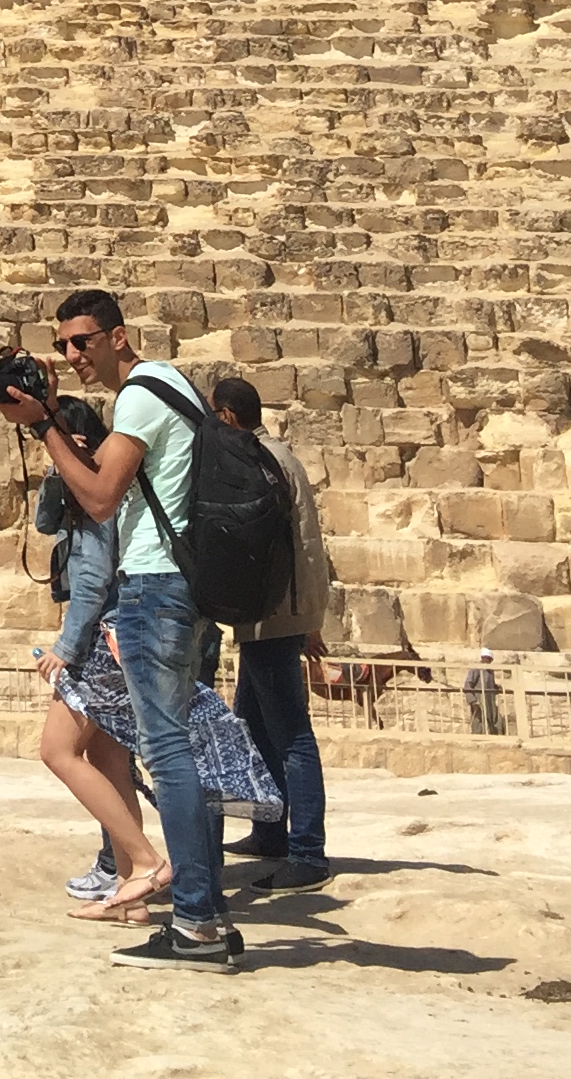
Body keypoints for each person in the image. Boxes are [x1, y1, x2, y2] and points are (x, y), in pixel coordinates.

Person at [0, 289, 242, 969]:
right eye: (64, 344)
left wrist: (43, 427)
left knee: (168, 755)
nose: (73, 354)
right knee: (175, 752)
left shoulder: (137, 396)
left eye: (83, 341)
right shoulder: (171, 384)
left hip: (157, 588)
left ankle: (196, 924)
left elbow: (100, 499)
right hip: (181, 586)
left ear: (118, 336)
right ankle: (203, 913)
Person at [30, 395, 158, 917]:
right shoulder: (82, 484)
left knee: (57, 751)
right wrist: (59, 468)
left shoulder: (103, 495)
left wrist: (65, 648)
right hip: (118, 636)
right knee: (109, 761)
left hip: (101, 641)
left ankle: (147, 862)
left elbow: (92, 578)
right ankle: (129, 896)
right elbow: (44, 524)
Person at [212, 378, 332, 889]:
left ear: (227, 417)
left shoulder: (259, 460)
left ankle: (308, 854)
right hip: (276, 612)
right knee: (254, 726)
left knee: (291, 735)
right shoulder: (279, 456)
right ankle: (270, 831)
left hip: (271, 614)